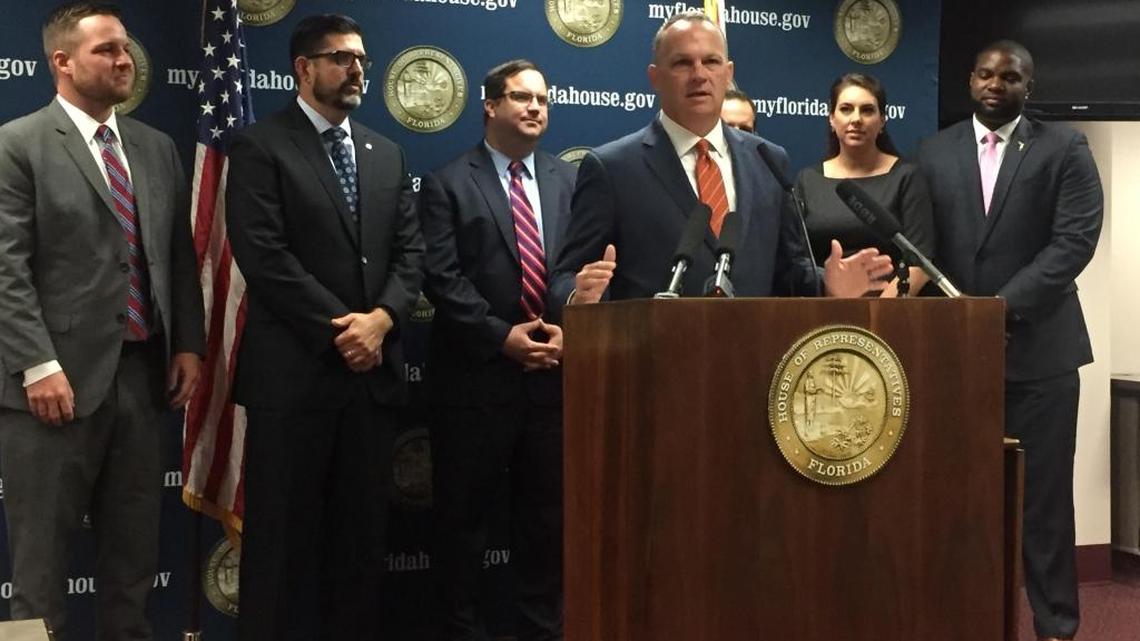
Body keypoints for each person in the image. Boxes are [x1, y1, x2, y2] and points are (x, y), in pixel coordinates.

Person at [0, 2, 204, 638]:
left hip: (142, 381)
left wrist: (189, 347)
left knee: (133, 565)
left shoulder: (154, 146)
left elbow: (176, 255)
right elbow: (6, 269)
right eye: (107, 50)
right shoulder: (17, 144)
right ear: (61, 62)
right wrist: (38, 365)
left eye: (126, 50)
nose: (124, 61)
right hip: (48, 391)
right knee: (36, 572)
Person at [224, 13, 424, 640]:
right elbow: (265, 257)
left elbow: (409, 254)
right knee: (283, 547)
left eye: (361, 57)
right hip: (295, 382)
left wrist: (385, 319)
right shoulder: (262, 146)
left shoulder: (385, 152)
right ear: (304, 68)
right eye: (341, 57)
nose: (357, 68)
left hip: (369, 387)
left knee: (360, 545)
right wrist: (346, 330)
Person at [916, 40, 1103, 641]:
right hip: (956, 358)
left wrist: (1000, 308)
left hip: (1041, 355)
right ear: (971, 80)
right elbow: (924, 248)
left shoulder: (1066, 148)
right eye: (987, 74)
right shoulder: (934, 151)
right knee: (959, 499)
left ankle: (1056, 625)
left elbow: (1073, 242)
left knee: (1043, 503)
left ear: (1029, 85)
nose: (998, 84)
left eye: (1011, 76)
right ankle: (966, 619)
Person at [550, 10, 892, 309]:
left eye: (711, 62)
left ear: (728, 73)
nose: (699, 74)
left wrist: (826, 284)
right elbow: (565, 277)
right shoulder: (613, 168)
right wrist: (576, 297)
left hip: (756, 362)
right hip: (652, 365)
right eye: (683, 62)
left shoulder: (767, 159)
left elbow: (789, 270)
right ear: (655, 77)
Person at [419, 59, 576, 641]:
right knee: (462, 529)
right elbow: (441, 277)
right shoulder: (447, 182)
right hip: (475, 385)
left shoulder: (569, 179)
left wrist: (564, 327)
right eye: (521, 97)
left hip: (552, 378)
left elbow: (577, 267)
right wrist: (500, 337)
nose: (535, 107)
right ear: (489, 105)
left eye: (542, 98)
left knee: (546, 525)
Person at [795, 73, 935, 297]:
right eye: (846, 109)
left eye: (867, 110)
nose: (856, 119)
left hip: (889, 312)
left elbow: (920, 260)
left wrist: (878, 313)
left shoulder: (906, 177)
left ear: (882, 121)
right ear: (831, 118)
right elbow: (799, 260)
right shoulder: (807, 180)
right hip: (824, 309)